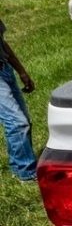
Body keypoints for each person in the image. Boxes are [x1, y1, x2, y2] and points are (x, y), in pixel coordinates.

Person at [0, 17, 38, 182]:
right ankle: (27, 173)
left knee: (23, 121)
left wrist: (21, 71)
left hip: (4, 69)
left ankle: (18, 166)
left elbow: (2, 44)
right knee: (17, 122)